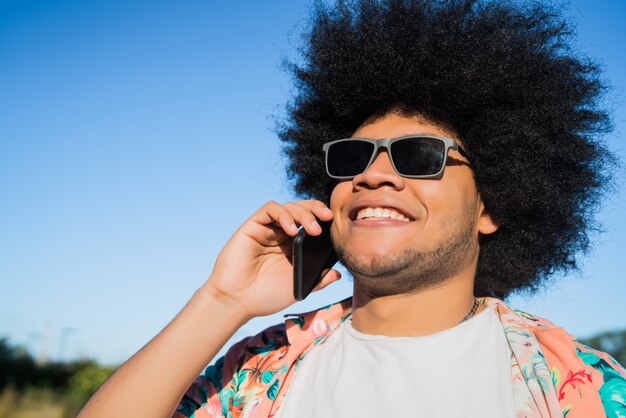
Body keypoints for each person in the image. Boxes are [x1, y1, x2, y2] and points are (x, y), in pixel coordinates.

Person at [79, 0, 626, 417]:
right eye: (350, 157)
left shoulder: (584, 385)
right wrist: (222, 302)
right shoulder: (256, 370)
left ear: (493, 205)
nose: (372, 174)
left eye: (419, 155)